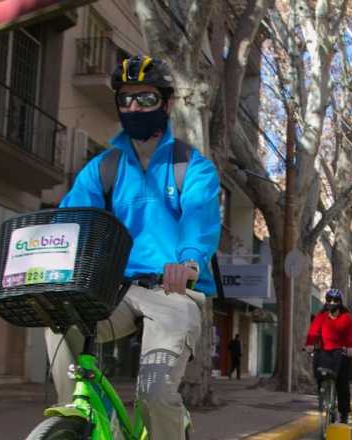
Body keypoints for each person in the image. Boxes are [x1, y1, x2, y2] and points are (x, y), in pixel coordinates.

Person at [47, 55, 222, 440]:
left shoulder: (192, 167)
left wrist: (188, 263)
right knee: (58, 315)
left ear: (167, 104)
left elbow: (199, 223)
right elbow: (72, 219)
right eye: (125, 99)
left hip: (173, 290)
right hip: (115, 290)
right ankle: (80, 418)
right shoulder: (104, 168)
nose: (134, 108)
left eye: (146, 99)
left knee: (154, 393)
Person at [304, 288, 352, 424]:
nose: (332, 303)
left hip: (342, 353)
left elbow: (351, 337)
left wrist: (351, 348)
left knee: (342, 383)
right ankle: (324, 396)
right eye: (329, 300)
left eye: (335, 300)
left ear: (340, 302)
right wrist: (309, 344)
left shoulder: (346, 318)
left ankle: (343, 413)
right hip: (325, 352)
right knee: (319, 371)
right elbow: (313, 332)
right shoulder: (321, 316)